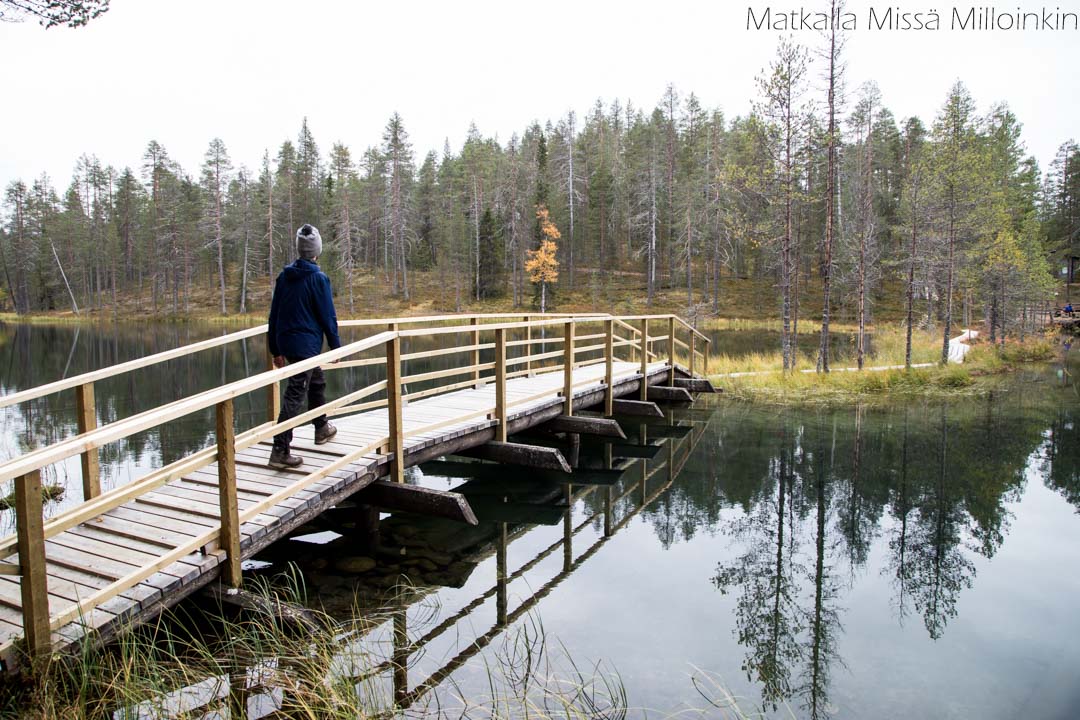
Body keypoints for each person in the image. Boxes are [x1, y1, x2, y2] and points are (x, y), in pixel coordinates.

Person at [266, 224, 341, 468]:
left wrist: (276, 349)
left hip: (287, 342)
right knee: (296, 393)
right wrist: (336, 347)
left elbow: (274, 316)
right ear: (317, 250)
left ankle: (321, 427)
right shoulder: (318, 279)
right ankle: (280, 450)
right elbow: (327, 316)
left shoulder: (284, 277)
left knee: (316, 381)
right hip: (305, 346)